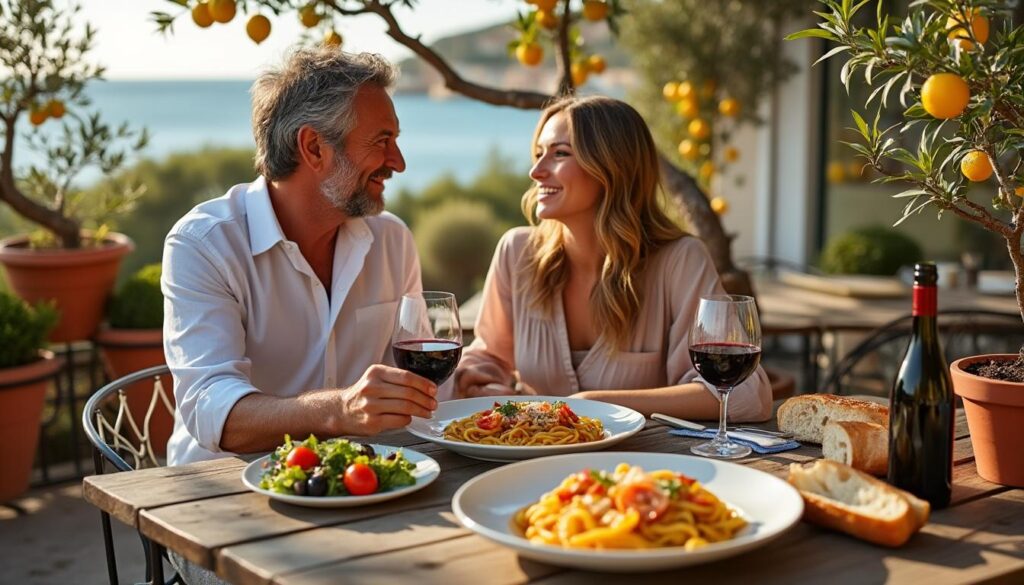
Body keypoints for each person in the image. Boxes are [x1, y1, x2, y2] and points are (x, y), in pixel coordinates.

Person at [162, 48, 438, 469]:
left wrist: (464, 381)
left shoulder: (392, 240)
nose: (397, 162)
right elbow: (210, 409)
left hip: (358, 483)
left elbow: (410, 385)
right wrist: (339, 409)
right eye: (382, 140)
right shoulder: (204, 244)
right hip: (221, 495)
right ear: (313, 148)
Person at [453, 95, 772, 422]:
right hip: (529, 462)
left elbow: (747, 396)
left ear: (611, 167)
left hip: (640, 467)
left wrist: (594, 404)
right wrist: (483, 382)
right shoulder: (517, 253)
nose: (536, 171)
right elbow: (487, 355)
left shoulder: (679, 261)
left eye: (560, 153)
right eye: (538, 154)